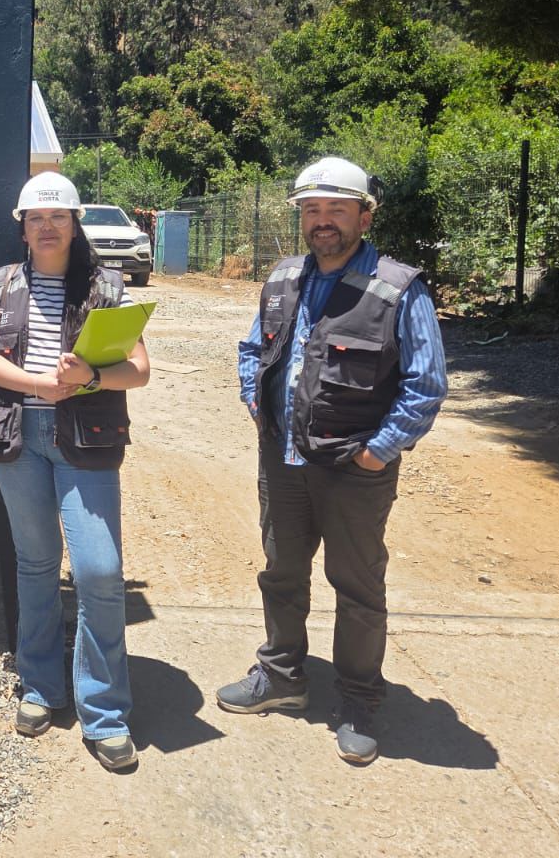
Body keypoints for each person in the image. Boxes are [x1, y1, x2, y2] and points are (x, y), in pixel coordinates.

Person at [216, 157, 447, 764]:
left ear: (364, 216)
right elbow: (251, 348)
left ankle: (359, 700)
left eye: (337, 209)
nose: (323, 221)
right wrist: (254, 400)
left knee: (358, 586)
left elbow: (425, 385)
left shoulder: (397, 289)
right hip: (283, 461)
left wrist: (377, 452)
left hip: (353, 470)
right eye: (312, 209)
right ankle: (282, 676)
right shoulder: (283, 277)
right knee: (282, 572)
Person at [0, 171, 151, 772]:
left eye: (58, 217)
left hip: (85, 438)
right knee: (37, 563)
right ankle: (41, 686)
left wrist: (90, 377)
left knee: (100, 571)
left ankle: (105, 712)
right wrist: (39, 383)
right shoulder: (0, 283)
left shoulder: (108, 288)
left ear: (74, 224)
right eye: (37, 218)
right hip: (18, 435)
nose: (47, 227)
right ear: (23, 228)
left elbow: (139, 370)